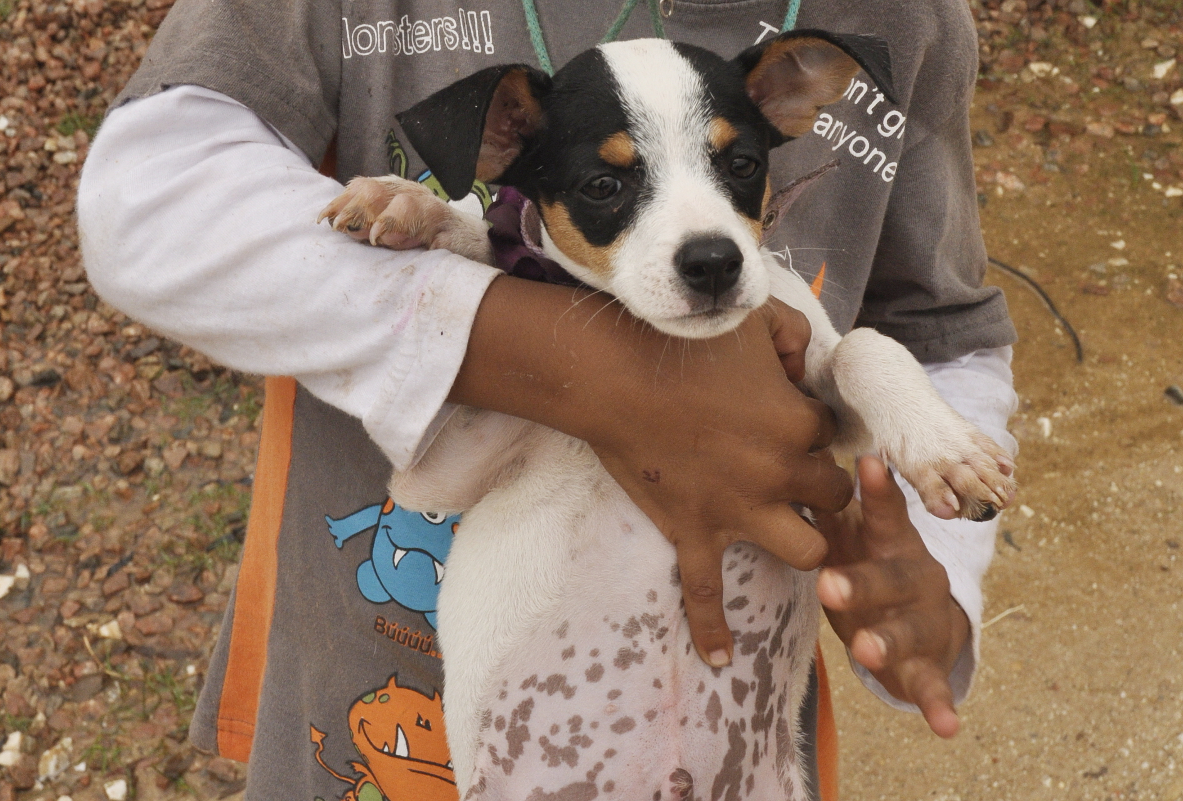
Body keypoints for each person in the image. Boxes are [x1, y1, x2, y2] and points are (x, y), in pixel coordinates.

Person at [77, 1, 1018, 798]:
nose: (705, 241)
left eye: (733, 169)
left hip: (740, 737)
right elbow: (147, 197)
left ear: (788, 102)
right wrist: (559, 354)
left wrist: (932, 562)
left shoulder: (897, 20)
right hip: (405, 733)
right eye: (611, 184)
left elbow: (930, 331)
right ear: (501, 146)